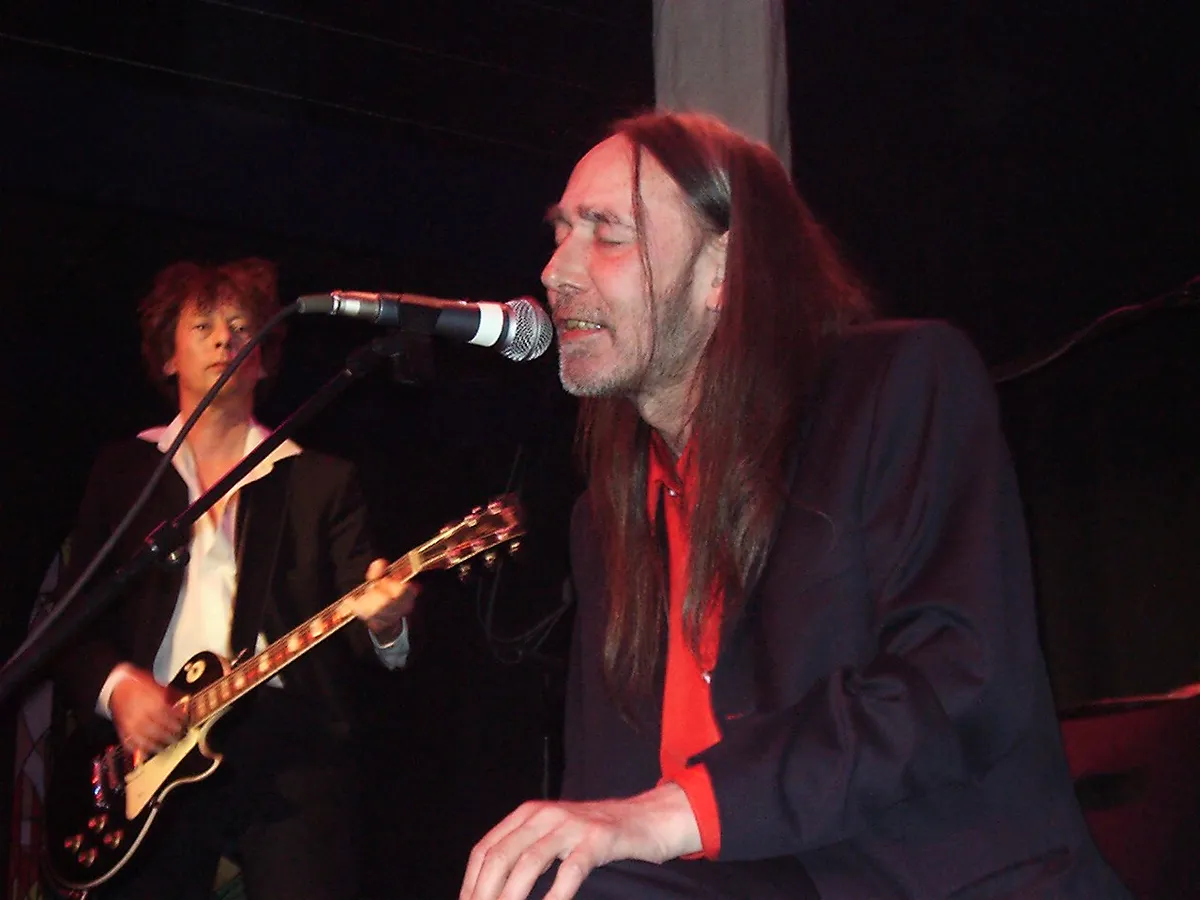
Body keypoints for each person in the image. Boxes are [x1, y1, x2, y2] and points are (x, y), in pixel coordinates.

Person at [459, 112, 1131, 899]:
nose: (556, 270)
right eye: (560, 232)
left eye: (607, 234)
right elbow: (612, 796)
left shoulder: (896, 388)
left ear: (724, 271)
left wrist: (678, 812)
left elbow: (955, 681)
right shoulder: (607, 517)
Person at [50, 257, 418, 900]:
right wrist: (120, 690)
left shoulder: (319, 480)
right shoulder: (126, 474)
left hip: (287, 747)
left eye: (242, 326)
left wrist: (387, 624)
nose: (225, 338)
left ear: (264, 359)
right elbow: (69, 622)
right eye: (203, 326)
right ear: (169, 356)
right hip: (150, 756)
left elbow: (366, 624)